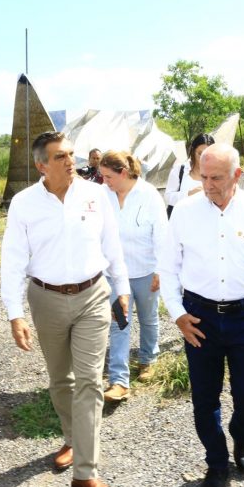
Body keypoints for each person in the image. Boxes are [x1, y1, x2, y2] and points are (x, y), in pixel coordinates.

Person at [1, 131, 129, 487]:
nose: (70, 161)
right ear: (41, 164)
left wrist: (121, 287)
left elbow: (111, 243)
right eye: (60, 157)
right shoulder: (24, 204)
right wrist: (14, 314)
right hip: (47, 299)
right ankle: (72, 439)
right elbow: (12, 260)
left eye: (72, 154)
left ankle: (86, 474)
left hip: (93, 295)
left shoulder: (95, 194)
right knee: (62, 380)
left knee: (89, 382)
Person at [158, 144, 244, 487]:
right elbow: (168, 267)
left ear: (237, 175)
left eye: (217, 177)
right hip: (199, 317)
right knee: (204, 398)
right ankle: (216, 463)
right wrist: (177, 314)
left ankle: (242, 434)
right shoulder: (184, 213)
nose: (208, 184)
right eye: (204, 176)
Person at [99, 150, 168, 401]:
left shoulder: (149, 195)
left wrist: (161, 269)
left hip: (146, 270)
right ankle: (119, 381)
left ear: (124, 173)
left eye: (108, 176)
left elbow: (161, 233)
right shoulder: (102, 195)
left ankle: (148, 358)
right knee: (120, 323)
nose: (104, 181)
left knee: (149, 319)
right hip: (116, 274)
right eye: (102, 176)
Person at [164, 133, 215, 215]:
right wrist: (189, 194)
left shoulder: (216, 173)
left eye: (208, 155)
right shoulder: (179, 170)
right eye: (199, 153)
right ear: (193, 151)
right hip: (181, 222)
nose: (203, 158)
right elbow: (168, 197)